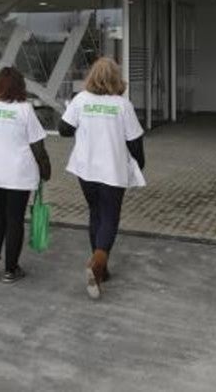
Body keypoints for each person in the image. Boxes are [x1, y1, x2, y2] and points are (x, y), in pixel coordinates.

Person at [59, 57, 145, 300]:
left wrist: (84, 124)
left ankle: (102, 269)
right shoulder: (122, 105)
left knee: (95, 213)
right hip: (112, 170)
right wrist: (140, 164)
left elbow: (64, 129)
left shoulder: (81, 100)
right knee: (109, 217)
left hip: (85, 170)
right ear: (117, 78)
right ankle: (96, 265)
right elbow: (135, 141)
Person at [0, 67, 51, 283]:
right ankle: (11, 269)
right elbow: (37, 145)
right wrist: (45, 168)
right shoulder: (25, 110)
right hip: (18, 173)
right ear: (20, 86)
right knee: (14, 219)